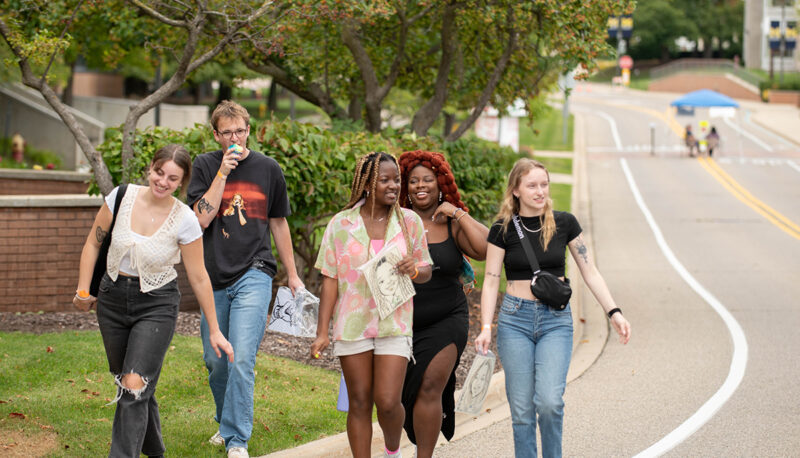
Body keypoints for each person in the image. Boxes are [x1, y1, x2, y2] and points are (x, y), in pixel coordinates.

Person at [72, 144, 234, 458]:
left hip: (157, 305)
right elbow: (94, 242)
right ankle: (155, 451)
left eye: (172, 178)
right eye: (159, 173)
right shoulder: (120, 197)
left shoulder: (184, 219)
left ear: (181, 182)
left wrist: (214, 329)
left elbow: (199, 276)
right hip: (112, 299)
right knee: (132, 383)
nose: (163, 182)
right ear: (150, 168)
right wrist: (83, 289)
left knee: (134, 385)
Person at [474, 158, 631, 458]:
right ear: (516, 190)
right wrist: (485, 328)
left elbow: (590, 271)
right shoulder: (502, 230)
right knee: (521, 410)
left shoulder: (564, 223)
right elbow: (492, 280)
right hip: (515, 321)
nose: (540, 191)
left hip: (554, 322)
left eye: (543, 184)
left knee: (549, 402)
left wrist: (614, 311)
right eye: (531, 185)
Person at [186, 100, 304, 458]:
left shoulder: (268, 169)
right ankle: (226, 422)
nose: (234, 138)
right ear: (215, 134)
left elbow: (279, 223)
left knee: (240, 357)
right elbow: (200, 220)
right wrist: (222, 173)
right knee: (215, 360)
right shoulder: (205, 165)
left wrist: (294, 276)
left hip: (255, 272)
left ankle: (237, 439)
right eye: (227, 133)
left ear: (249, 130)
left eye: (240, 131)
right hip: (213, 277)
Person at [310, 152, 433, 458]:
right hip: (352, 325)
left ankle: (392, 450)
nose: (394, 186)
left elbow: (427, 270)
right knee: (360, 402)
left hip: (395, 322)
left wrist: (414, 268)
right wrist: (322, 331)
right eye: (385, 179)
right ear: (367, 183)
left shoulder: (409, 222)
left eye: (397, 180)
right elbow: (330, 279)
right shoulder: (341, 224)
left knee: (389, 401)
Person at [397, 150, 489, 458]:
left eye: (427, 180)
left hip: (446, 319)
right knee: (396, 397)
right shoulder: (395, 222)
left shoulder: (450, 224)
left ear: (440, 184)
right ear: (404, 186)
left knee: (430, 386)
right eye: (412, 181)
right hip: (399, 322)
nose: (420, 186)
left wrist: (458, 213)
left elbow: (485, 249)